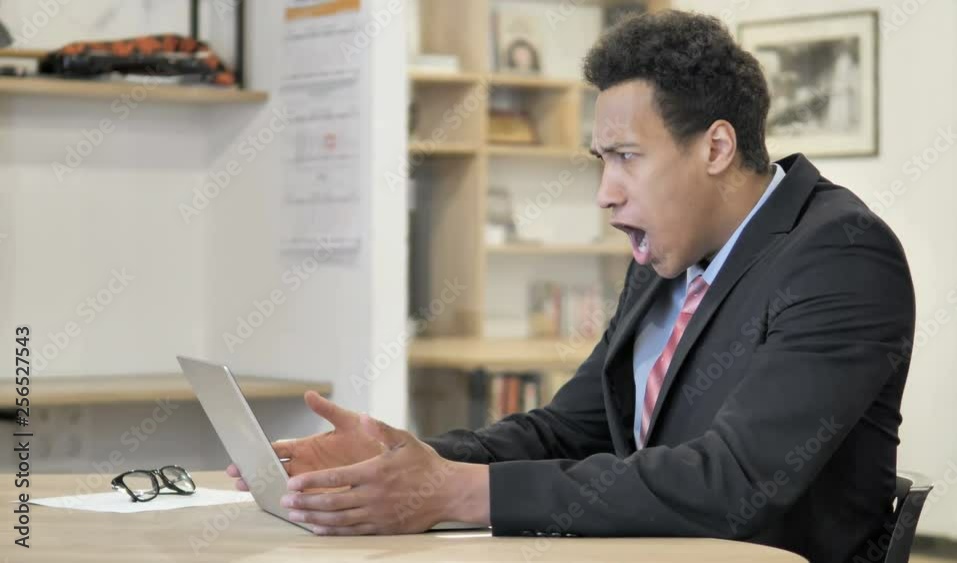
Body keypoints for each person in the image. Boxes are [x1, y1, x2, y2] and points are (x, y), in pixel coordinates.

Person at [227, 11, 915, 563]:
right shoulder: (666, 254)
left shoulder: (842, 255)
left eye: (626, 158)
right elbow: (570, 430)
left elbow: (735, 483)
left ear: (715, 148)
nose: (604, 194)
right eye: (600, 160)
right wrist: (407, 459)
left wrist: (458, 492)